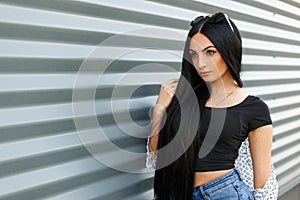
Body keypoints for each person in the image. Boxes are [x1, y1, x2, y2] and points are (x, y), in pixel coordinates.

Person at [146, 12, 278, 199]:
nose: (200, 64)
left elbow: (263, 182)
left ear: (228, 49)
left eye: (210, 52)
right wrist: (160, 109)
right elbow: (156, 157)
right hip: (180, 192)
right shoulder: (186, 99)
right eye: (194, 54)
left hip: (226, 193)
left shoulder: (254, 109)